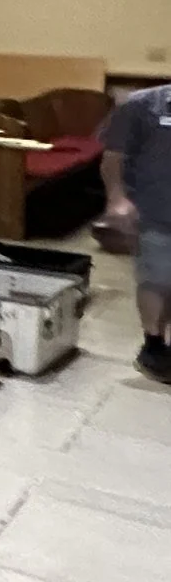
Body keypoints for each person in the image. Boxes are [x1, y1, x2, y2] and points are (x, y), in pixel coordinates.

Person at [100, 82, 171, 383]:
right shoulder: (141, 105)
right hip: (155, 209)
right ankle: (152, 346)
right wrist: (117, 198)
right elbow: (112, 157)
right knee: (157, 278)